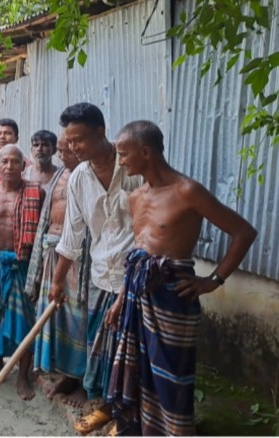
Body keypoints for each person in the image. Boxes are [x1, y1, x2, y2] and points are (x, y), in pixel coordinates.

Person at [106, 121, 257, 436]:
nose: (120, 161)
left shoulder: (187, 191)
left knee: (172, 378)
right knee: (139, 374)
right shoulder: (134, 197)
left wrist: (212, 280)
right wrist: (121, 299)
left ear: (145, 152)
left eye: (123, 153)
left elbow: (243, 232)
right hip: (137, 296)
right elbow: (138, 255)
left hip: (174, 296)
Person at [47, 103, 143, 434]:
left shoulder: (134, 167)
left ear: (100, 133)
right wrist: (57, 281)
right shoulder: (79, 180)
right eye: (69, 142)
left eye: (78, 140)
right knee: (101, 349)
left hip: (137, 279)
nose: (72, 148)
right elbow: (71, 238)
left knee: (133, 353)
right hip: (101, 275)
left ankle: (129, 416)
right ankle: (106, 408)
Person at [25, 133, 90, 407]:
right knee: (56, 319)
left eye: (65, 150)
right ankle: (66, 376)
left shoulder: (90, 176)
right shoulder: (61, 174)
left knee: (78, 321)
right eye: (61, 150)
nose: (61, 155)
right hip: (53, 253)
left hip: (78, 261)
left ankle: (80, 382)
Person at [0, 144, 44, 400]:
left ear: (23, 164)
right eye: (4, 161)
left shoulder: (35, 192)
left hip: (22, 264)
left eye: (14, 161)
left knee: (24, 322)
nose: (9, 166)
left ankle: (22, 376)